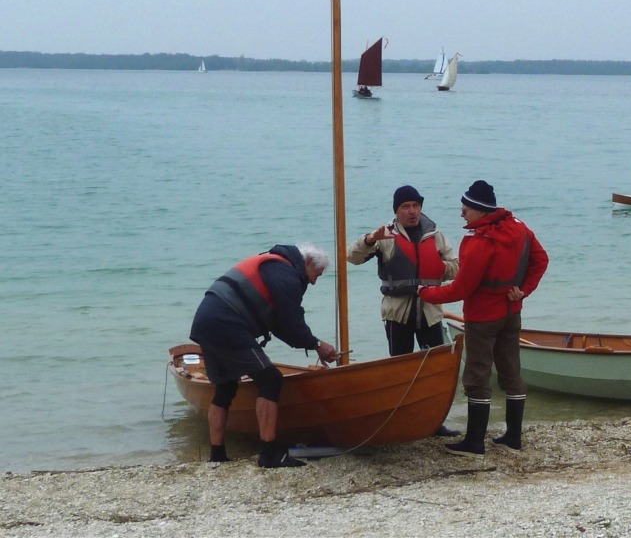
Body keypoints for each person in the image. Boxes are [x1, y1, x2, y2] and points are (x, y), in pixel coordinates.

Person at [419, 180, 549, 457]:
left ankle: (475, 443)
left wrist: (426, 293)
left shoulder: (478, 242)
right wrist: (524, 290)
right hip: (512, 313)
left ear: (479, 210)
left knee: (477, 376)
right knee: (511, 372)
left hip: (482, 316)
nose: (462, 214)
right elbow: (541, 260)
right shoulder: (520, 227)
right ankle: (514, 437)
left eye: (465, 209)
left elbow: (462, 288)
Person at [189, 243, 338, 468]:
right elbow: (291, 321)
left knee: (226, 386)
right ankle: (269, 454)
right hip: (227, 321)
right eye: (316, 275)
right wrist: (317, 344)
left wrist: (310, 343)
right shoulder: (286, 274)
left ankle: (217, 455)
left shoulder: (275, 265)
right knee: (271, 379)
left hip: (207, 319)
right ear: (307, 263)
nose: (314, 282)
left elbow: (280, 324)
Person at [347, 185, 460, 437]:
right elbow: (351, 257)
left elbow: (456, 268)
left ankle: (434, 422)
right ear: (397, 211)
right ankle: (401, 419)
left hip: (430, 311)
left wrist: (439, 267)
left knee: (433, 369)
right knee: (400, 370)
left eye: (416, 206)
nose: (412, 212)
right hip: (397, 313)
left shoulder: (436, 235)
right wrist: (369, 240)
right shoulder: (384, 236)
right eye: (406, 207)